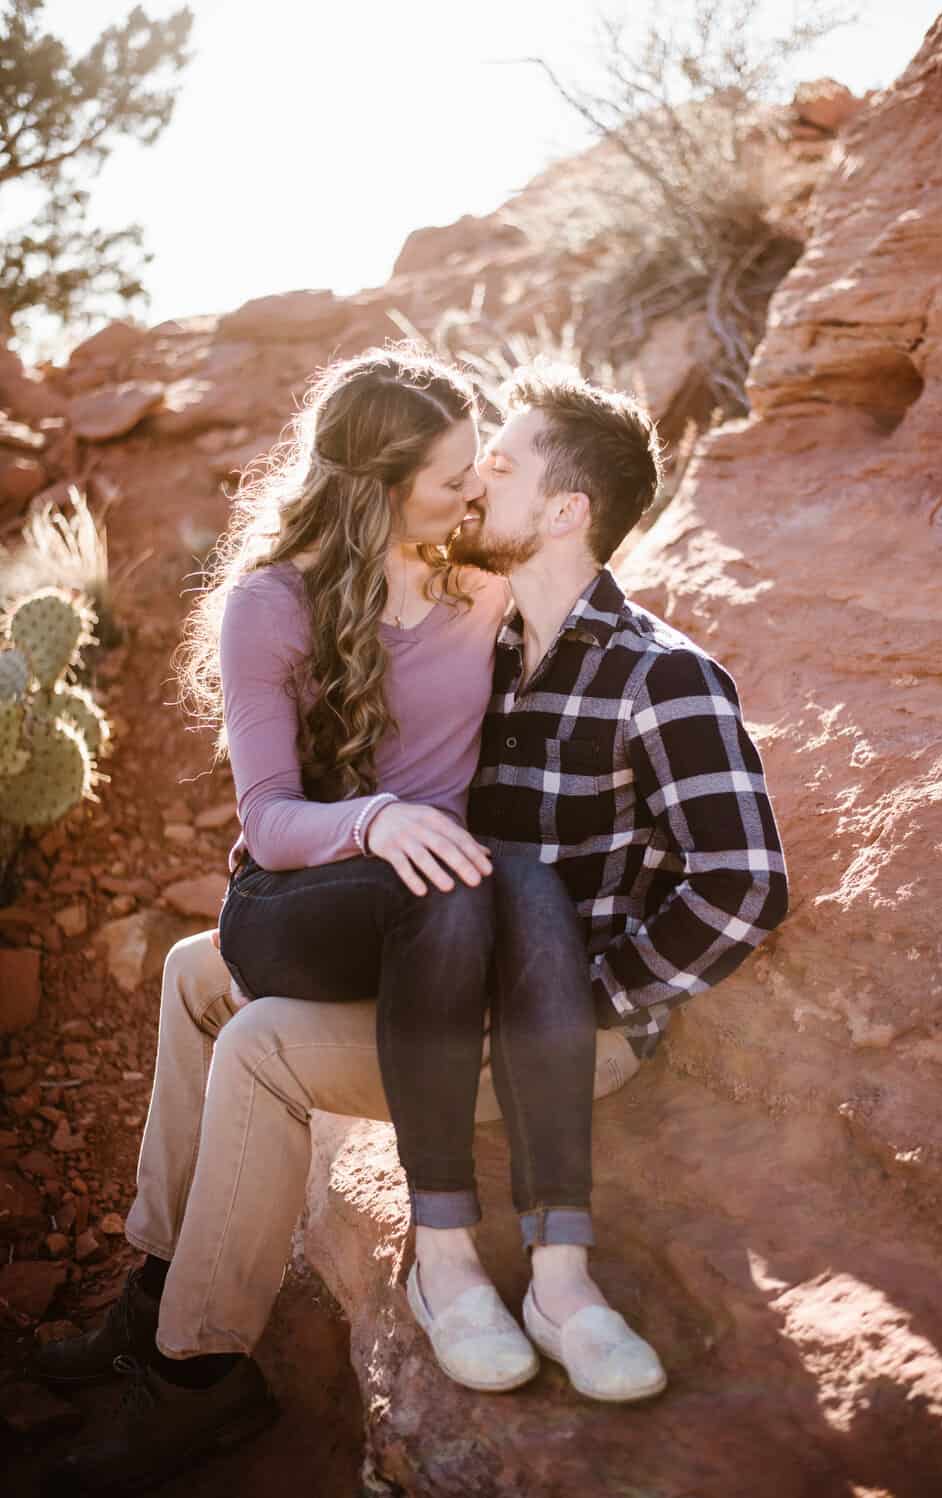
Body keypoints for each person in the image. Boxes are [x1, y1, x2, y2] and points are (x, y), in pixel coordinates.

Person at [37, 348, 669, 1498]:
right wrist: (374, 821)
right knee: (221, 962)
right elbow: (270, 817)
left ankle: (187, 1350)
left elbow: (576, 580)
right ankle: (162, 1302)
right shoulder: (272, 603)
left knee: (213, 994)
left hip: (439, 926)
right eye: (447, 473)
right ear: (377, 484)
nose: (474, 484)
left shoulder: (478, 580)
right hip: (329, 893)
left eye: (481, 463)